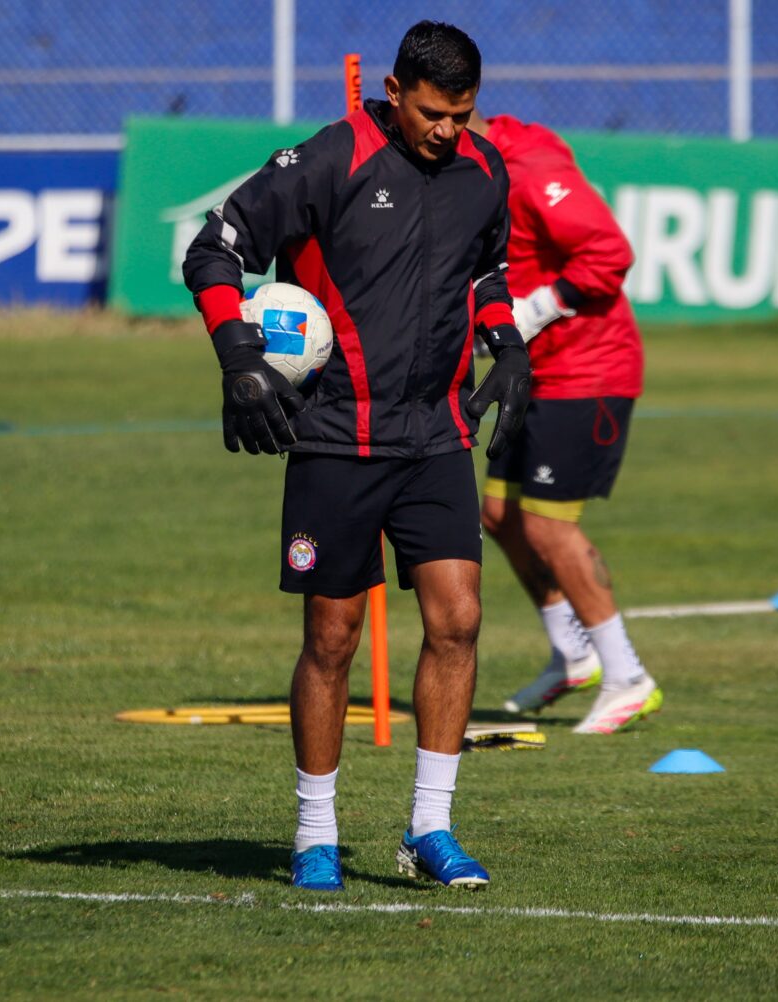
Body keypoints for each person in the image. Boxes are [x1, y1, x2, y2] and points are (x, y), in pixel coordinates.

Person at [183, 22, 531, 891]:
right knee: (332, 637)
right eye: (432, 113)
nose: (447, 130)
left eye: (462, 115)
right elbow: (213, 250)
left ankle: (431, 829)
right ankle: (315, 836)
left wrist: (507, 343)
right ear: (393, 90)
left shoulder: (485, 171)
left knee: (458, 620)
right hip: (337, 435)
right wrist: (237, 356)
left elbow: (486, 272)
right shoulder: (329, 159)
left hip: (437, 434)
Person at [468, 109, 663, 735]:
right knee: (500, 515)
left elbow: (610, 252)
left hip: (589, 371)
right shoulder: (469, 168)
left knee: (550, 527)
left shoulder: (530, 167)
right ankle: (573, 654)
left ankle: (628, 677)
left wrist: (533, 311)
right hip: (533, 370)